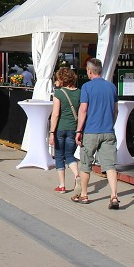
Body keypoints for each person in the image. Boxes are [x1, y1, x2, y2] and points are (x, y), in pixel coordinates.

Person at [75, 58, 121, 209]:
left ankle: (84, 194)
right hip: (108, 131)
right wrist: (110, 124)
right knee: (110, 165)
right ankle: (114, 196)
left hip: (90, 131)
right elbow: (116, 111)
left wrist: (79, 130)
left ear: (89, 70)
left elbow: (83, 110)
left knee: (86, 164)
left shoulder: (87, 87)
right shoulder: (111, 87)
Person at [49, 66, 81, 195]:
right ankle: (77, 175)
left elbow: (55, 114)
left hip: (60, 128)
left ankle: (62, 185)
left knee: (59, 156)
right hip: (74, 128)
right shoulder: (80, 92)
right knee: (69, 155)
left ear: (61, 79)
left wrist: (52, 132)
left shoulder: (59, 93)